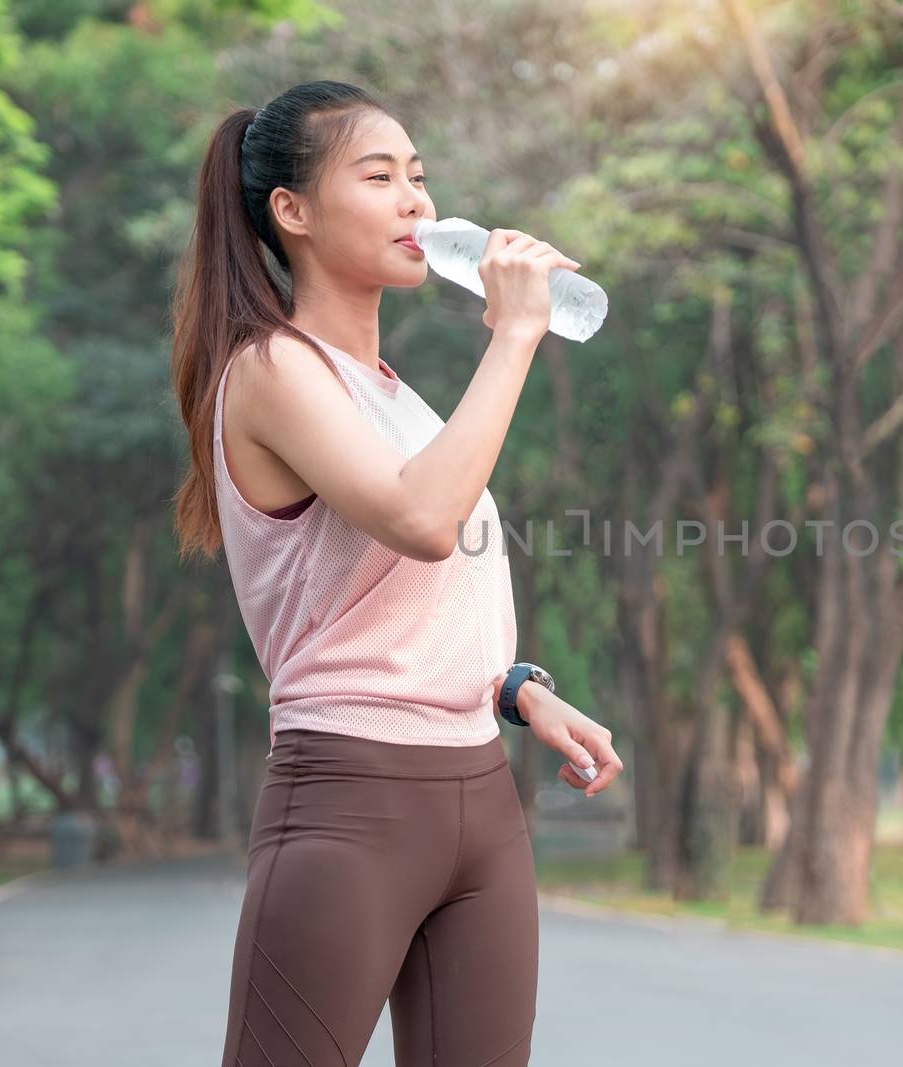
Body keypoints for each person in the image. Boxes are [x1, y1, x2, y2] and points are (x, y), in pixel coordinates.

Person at [167, 79, 623, 1067]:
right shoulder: (272, 370)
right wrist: (513, 335)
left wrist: (515, 686)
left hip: (480, 801)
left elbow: (409, 584)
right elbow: (421, 519)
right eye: (380, 177)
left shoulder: (401, 400)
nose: (419, 201)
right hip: (349, 799)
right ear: (291, 211)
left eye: (419, 176)